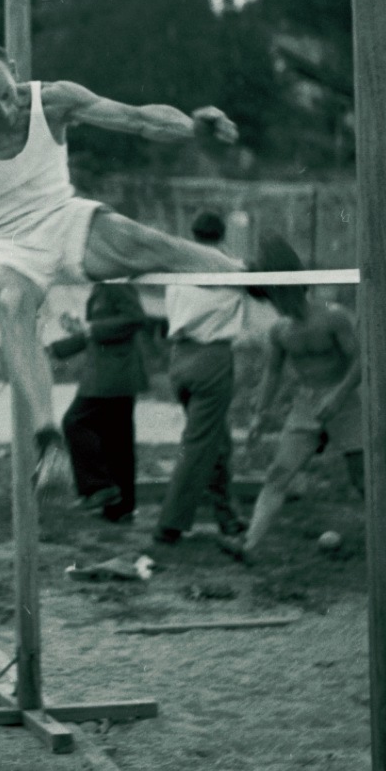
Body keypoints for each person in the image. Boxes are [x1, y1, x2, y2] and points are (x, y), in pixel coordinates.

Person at [0, 43, 240, 505]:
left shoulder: (54, 99)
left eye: (9, 94)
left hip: (62, 218)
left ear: (13, 72)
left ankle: (248, 276)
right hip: (0, 242)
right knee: (12, 302)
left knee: (145, 241)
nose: (7, 109)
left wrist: (192, 128)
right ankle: (48, 441)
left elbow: (139, 119)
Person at [218, 237, 362, 561]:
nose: (276, 305)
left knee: (364, 481)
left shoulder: (333, 317)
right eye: (270, 298)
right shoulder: (280, 330)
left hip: (347, 401)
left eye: (278, 296)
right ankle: (248, 545)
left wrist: (339, 397)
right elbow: (272, 373)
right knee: (278, 474)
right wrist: (259, 414)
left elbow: (361, 360)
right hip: (307, 405)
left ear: (295, 288)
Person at [153, 209, 253, 545]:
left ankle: (227, 516)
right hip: (211, 359)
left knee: (216, 441)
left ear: (193, 234)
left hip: (180, 359)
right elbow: (267, 288)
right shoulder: (232, 268)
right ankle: (170, 524)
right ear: (221, 235)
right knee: (199, 443)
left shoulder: (175, 265)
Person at [48, 283, 156, 523]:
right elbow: (92, 334)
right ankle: (121, 508)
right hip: (109, 374)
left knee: (75, 422)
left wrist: (92, 327)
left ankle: (98, 487)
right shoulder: (102, 287)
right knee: (116, 442)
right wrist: (54, 350)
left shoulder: (118, 283)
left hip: (115, 373)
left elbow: (135, 318)